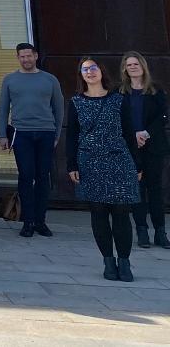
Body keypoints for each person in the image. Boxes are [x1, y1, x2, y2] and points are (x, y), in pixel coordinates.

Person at [66, 57, 142, 282]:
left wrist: (137, 163)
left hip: (119, 160)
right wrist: (71, 164)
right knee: (98, 212)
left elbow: (129, 132)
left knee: (121, 212)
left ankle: (124, 262)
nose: (90, 72)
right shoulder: (76, 102)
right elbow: (71, 136)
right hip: (90, 161)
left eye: (93, 68)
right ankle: (108, 261)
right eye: (85, 69)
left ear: (102, 71)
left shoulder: (118, 99)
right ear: (81, 75)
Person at [0, 42, 64, 238]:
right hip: (21, 133)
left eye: (29, 55)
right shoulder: (10, 80)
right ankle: (28, 221)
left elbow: (59, 108)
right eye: (22, 56)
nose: (26, 59)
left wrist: (57, 134)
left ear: (35, 56)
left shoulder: (50, 80)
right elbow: (3, 108)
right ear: (18, 58)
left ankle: (40, 221)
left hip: (45, 132)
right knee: (26, 175)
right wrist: (2, 135)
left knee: (43, 176)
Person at [119, 51, 169, 249]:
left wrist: (145, 133)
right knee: (137, 189)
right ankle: (141, 230)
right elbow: (119, 119)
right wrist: (133, 135)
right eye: (129, 64)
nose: (133, 67)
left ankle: (160, 232)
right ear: (125, 69)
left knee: (155, 189)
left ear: (143, 66)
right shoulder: (119, 92)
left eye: (136, 64)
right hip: (131, 148)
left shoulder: (156, 90)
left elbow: (162, 116)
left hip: (153, 146)